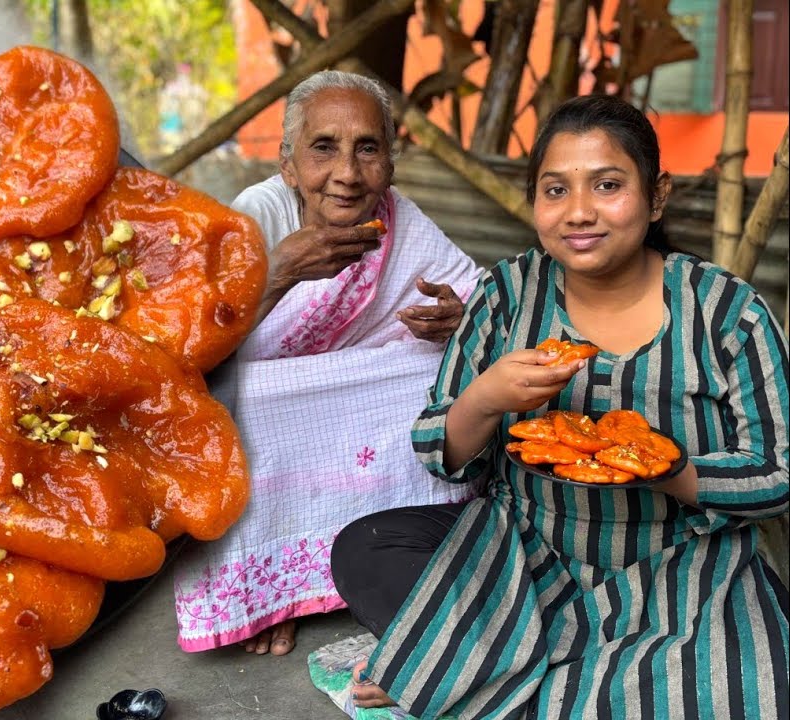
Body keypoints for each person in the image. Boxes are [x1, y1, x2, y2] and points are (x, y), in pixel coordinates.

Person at [330, 94, 788, 717]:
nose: (579, 212)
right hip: (526, 553)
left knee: (759, 682)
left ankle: (468, 666)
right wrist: (484, 397)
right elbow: (442, 453)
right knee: (367, 547)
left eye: (607, 185)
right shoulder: (506, 293)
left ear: (656, 196)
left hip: (679, 561)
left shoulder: (726, 311)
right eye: (555, 190)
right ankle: (595, 670)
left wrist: (672, 473)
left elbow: (779, 474)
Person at [172, 71, 482, 658]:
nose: (347, 173)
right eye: (323, 148)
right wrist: (281, 270)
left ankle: (394, 552)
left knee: (444, 372)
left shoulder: (400, 218)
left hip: (352, 395)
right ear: (288, 165)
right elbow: (191, 350)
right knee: (232, 403)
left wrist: (459, 317)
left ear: (390, 164)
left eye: (368, 148)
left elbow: (480, 301)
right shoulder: (256, 214)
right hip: (269, 400)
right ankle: (266, 591)